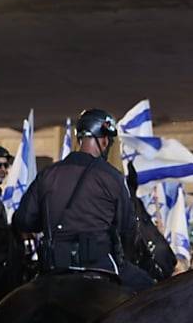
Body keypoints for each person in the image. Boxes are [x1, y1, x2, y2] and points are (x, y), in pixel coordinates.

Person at [13, 109, 155, 291]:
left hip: (52, 268)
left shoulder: (47, 174)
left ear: (80, 138)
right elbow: (126, 228)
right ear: (104, 141)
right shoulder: (113, 177)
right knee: (149, 289)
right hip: (100, 266)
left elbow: (23, 221)